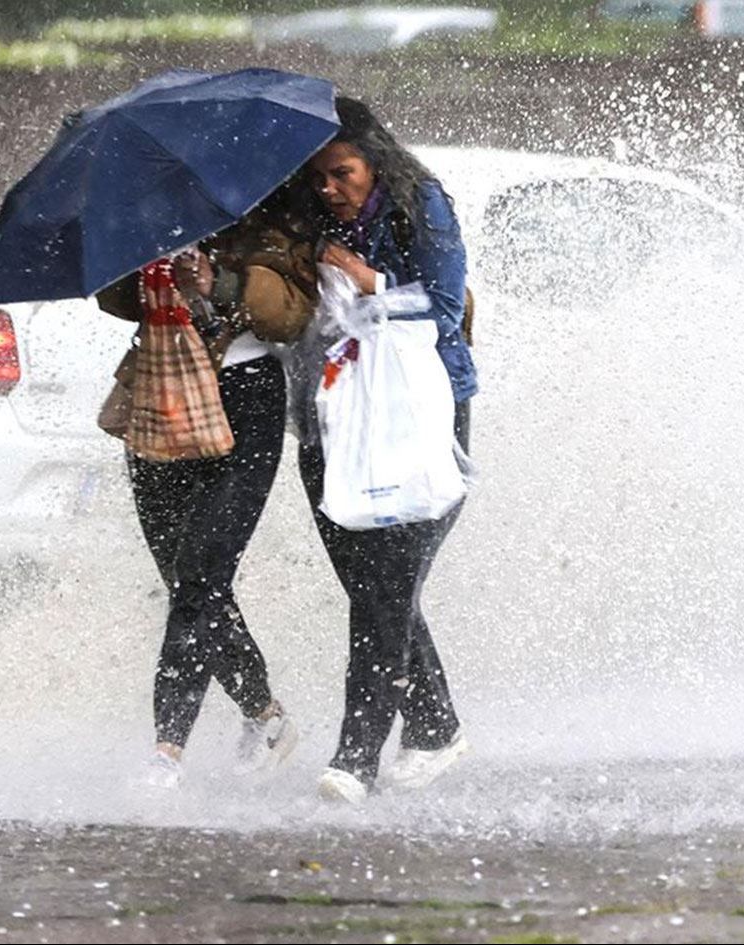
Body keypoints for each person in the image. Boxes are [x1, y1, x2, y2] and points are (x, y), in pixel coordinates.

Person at [96, 193, 318, 788]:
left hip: (247, 399)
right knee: (186, 583)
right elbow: (112, 299)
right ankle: (266, 715)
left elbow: (292, 316)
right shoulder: (153, 209)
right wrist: (140, 256)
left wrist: (216, 280)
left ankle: (167, 751)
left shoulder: (277, 211)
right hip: (161, 390)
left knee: (200, 576)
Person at [292, 97, 478, 805]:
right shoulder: (309, 222)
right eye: (318, 178)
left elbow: (445, 300)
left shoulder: (420, 203)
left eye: (342, 173)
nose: (330, 189)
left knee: (386, 587)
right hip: (333, 416)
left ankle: (355, 756)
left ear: (376, 161)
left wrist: (367, 282)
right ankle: (434, 726)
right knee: (373, 588)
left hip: (420, 413)